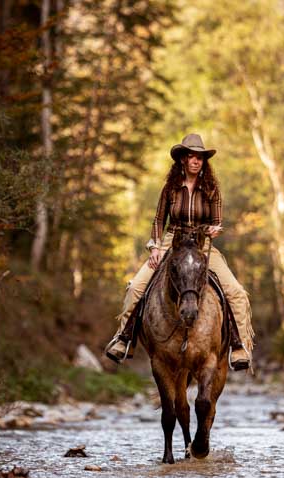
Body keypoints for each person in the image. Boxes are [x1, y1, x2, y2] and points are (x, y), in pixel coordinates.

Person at [104, 133, 254, 371]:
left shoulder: (212, 189)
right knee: (136, 287)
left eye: (200, 158)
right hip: (171, 241)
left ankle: (239, 346)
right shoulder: (170, 189)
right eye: (191, 156)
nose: (196, 161)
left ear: (204, 162)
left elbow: (216, 221)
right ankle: (124, 338)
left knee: (235, 291)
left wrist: (214, 230)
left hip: (202, 244)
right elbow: (158, 220)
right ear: (183, 160)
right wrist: (154, 246)